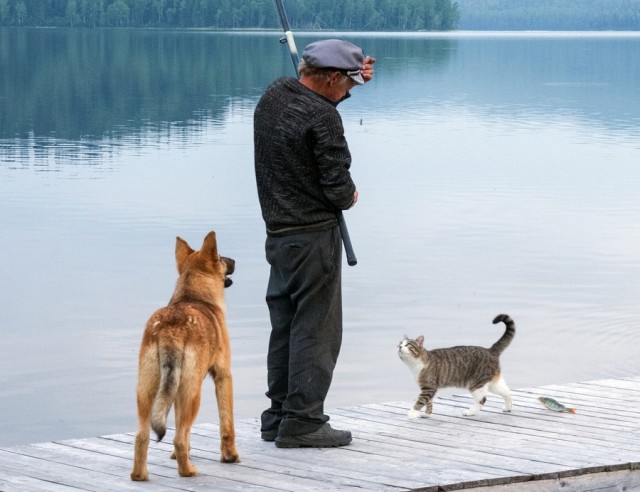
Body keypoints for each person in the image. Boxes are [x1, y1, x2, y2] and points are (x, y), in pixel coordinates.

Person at [253, 39, 375, 448]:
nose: (350, 90)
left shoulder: (275, 95)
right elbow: (338, 189)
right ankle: (304, 421)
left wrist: (346, 87)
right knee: (317, 330)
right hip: (314, 238)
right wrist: (351, 195)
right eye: (347, 84)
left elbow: (310, 117)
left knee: (285, 325)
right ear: (329, 77)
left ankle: (278, 416)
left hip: (279, 237)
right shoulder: (324, 119)